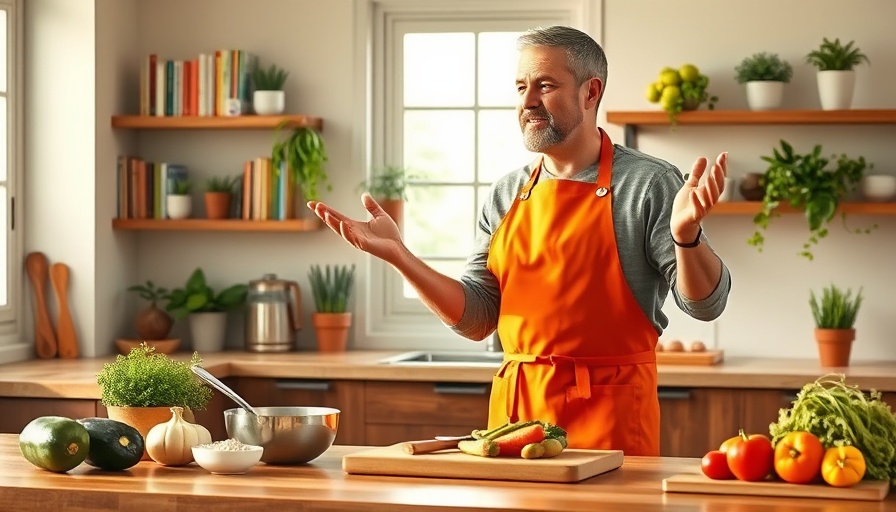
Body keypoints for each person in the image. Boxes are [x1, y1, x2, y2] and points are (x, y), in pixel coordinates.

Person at [308, 25, 731, 456]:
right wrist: (400, 256)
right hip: (516, 421)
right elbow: (477, 318)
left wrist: (687, 237)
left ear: (591, 92)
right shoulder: (506, 193)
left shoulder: (648, 183)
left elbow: (704, 304)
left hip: (612, 419)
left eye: (545, 85)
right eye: (521, 86)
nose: (527, 101)